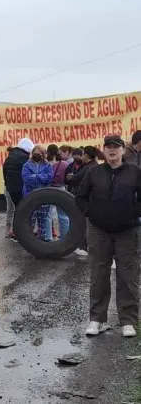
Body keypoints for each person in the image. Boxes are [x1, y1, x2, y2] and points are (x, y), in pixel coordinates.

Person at [75, 135, 141, 338]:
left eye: (116, 147)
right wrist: (91, 214)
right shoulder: (94, 172)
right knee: (98, 275)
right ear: (104, 150)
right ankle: (97, 319)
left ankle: (128, 321)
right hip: (99, 230)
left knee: (128, 275)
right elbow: (80, 197)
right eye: (108, 147)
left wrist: (133, 215)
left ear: (123, 150)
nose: (112, 150)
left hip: (127, 231)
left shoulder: (135, 172)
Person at [22, 145, 54, 241]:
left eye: (39, 154)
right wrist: (40, 177)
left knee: (42, 221)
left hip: (44, 197)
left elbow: (49, 178)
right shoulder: (26, 165)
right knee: (30, 221)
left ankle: (42, 242)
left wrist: (35, 176)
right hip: (30, 196)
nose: (37, 155)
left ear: (43, 155)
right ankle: (30, 242)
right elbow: (26, 179)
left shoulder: (47, 165)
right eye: (35, 153)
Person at [3, 138, 34, 209]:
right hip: (22, 188)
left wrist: (6, 184)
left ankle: (18, 220)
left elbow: (4, 172)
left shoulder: (10, 156)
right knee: (26, 210)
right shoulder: (25, 158)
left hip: (11, 188)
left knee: (18, 209)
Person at [47, 145, 70, 240]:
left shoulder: (47, 164)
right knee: (63, 215)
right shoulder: (65, 164)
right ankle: (66, 238)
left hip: (48, 189)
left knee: (48, 215)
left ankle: (48, 237)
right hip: (61, 189)